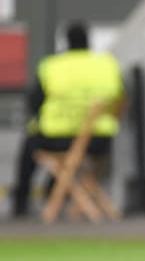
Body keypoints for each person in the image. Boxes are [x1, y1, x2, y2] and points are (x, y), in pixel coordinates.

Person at [12, 22, 126, 217]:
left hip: (58, 137)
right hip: (99, 140)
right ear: (89, 41)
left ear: (66, 42)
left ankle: (21, 203)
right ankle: (54, 193)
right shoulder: (107, 64)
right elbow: (121, 99)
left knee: (34, 146)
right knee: (69, 164)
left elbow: (35, 103)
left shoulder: (52, 66)